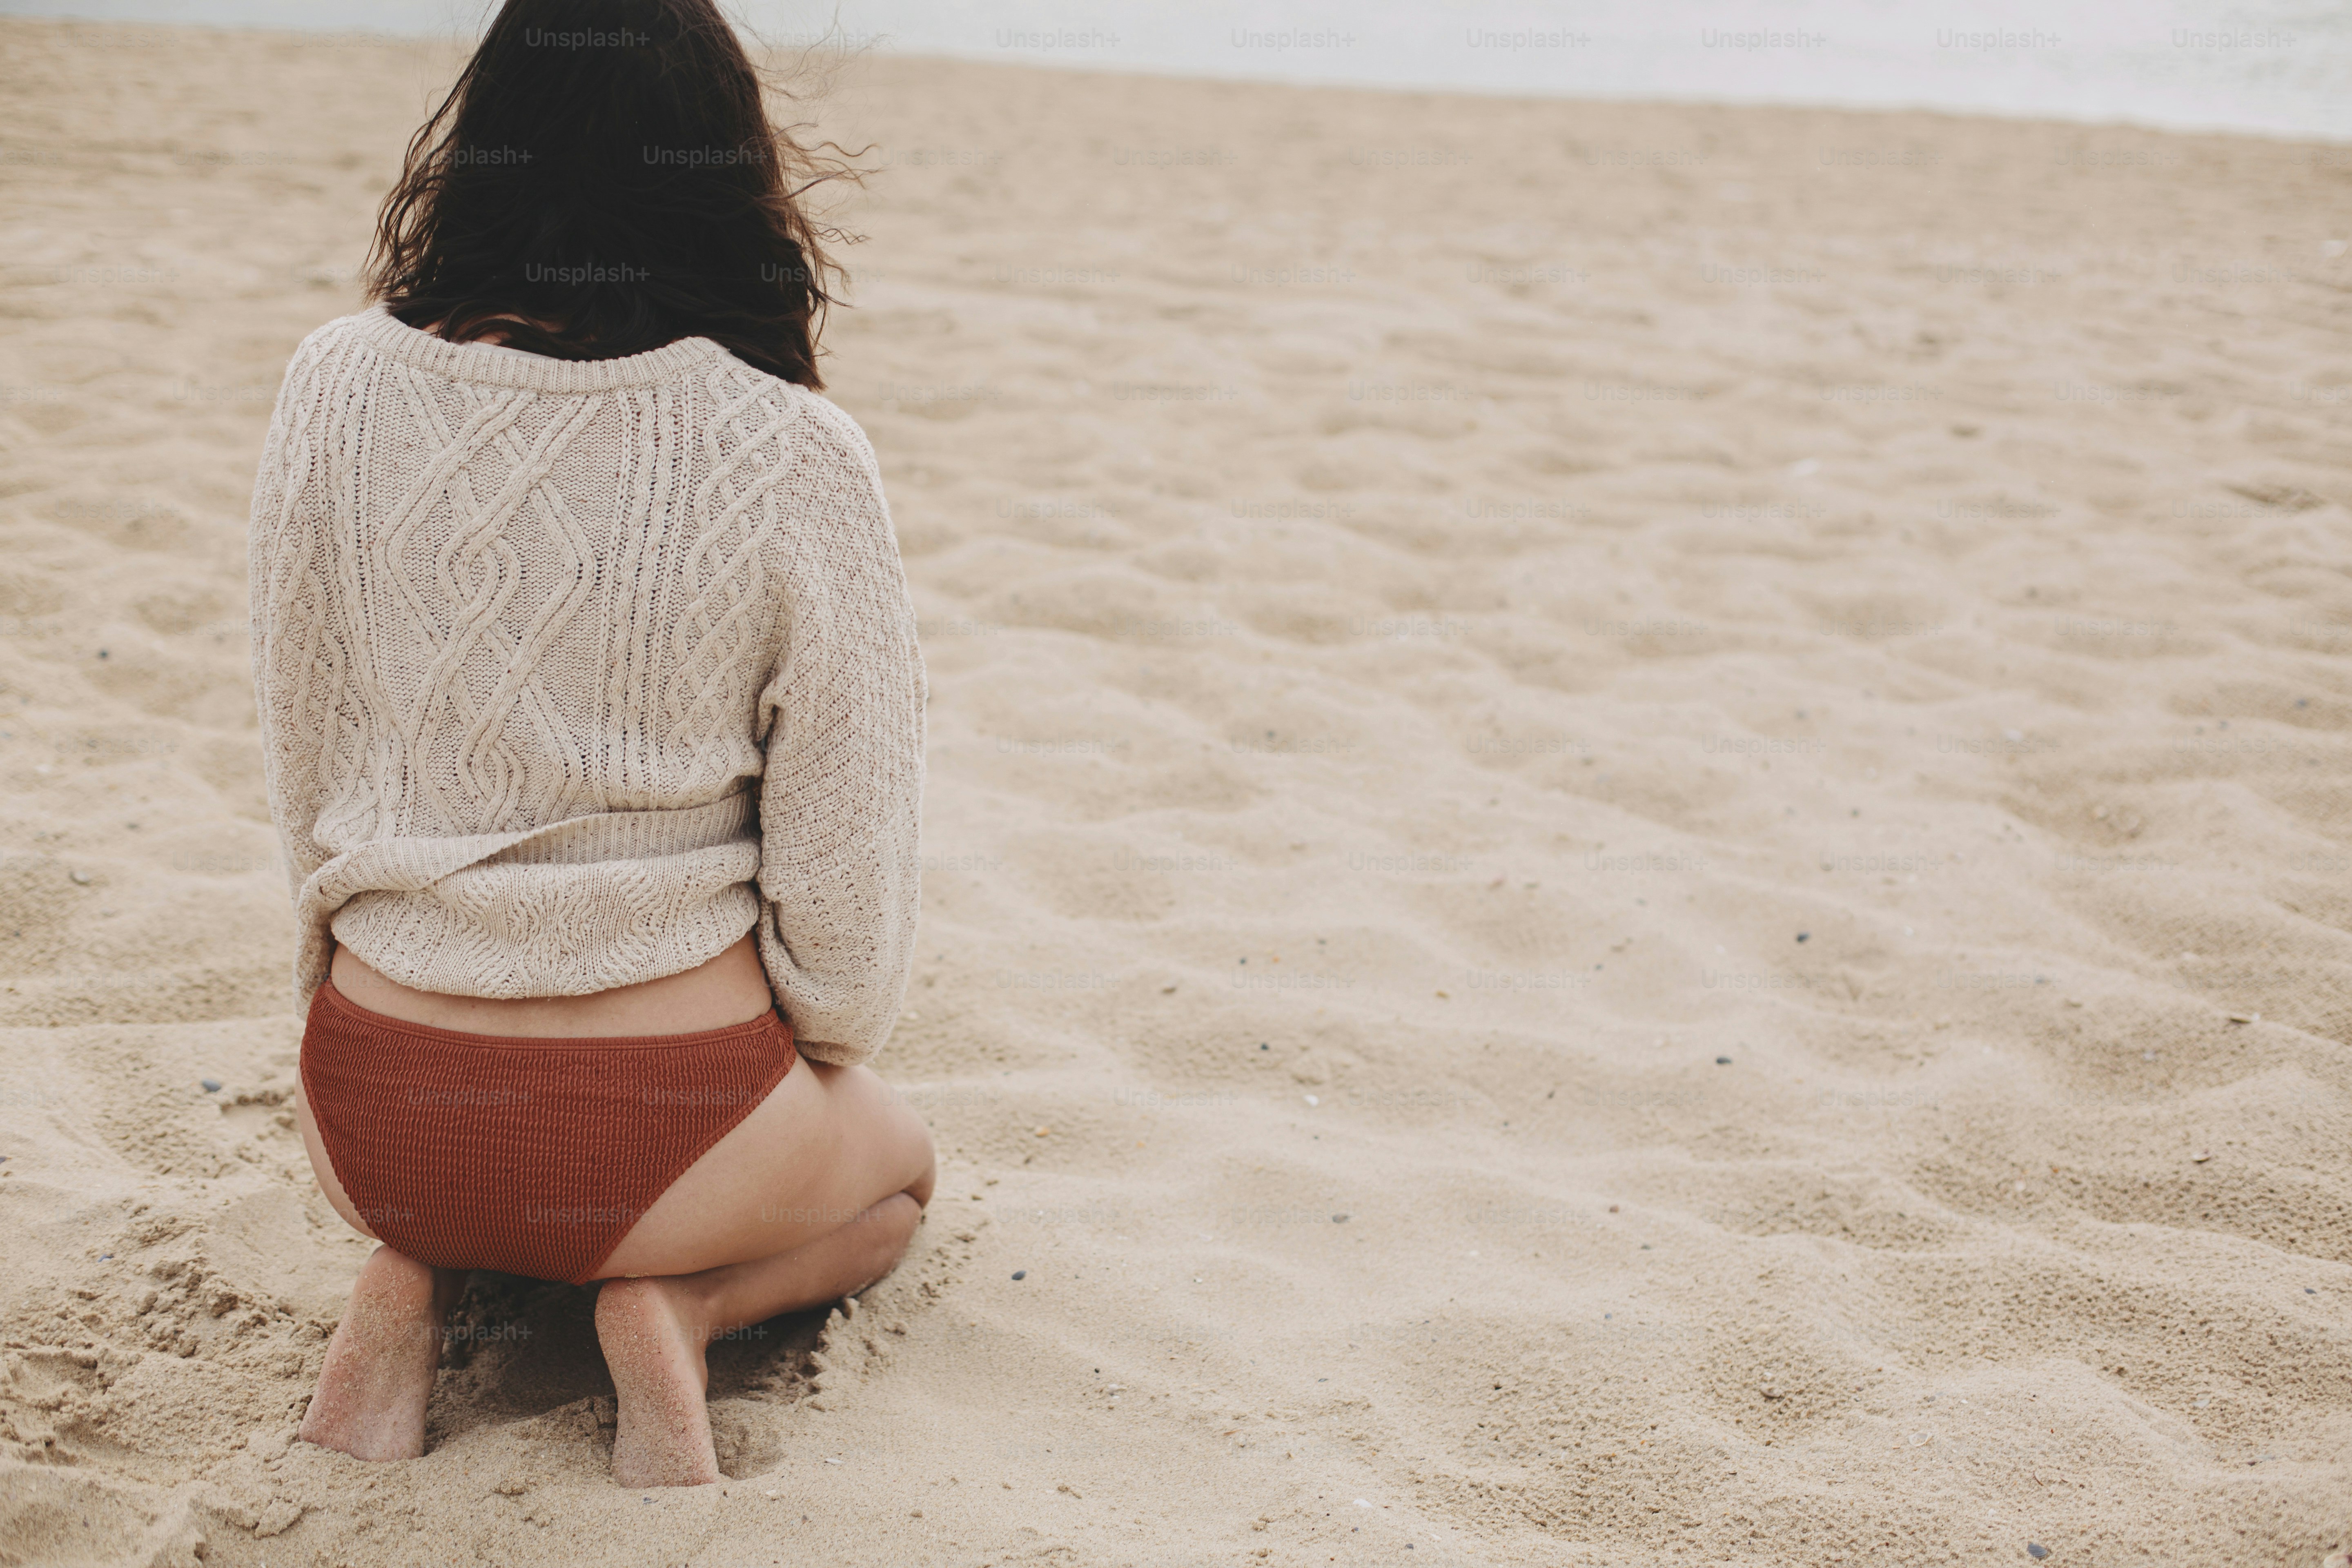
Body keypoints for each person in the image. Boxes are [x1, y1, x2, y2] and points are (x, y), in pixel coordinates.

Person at [245, 0, 932, 1488]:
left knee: (474, 1188)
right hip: (676, 1114)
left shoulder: (332, 384)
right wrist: (814, 1057)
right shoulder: (793, 451)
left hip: (371, 1114)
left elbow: (305, 762)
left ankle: (419, 1276)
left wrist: (352, 994)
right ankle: (676, 1301)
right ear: (728, 176)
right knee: (898, 1175)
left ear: (480, 150)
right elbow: (846, 895)